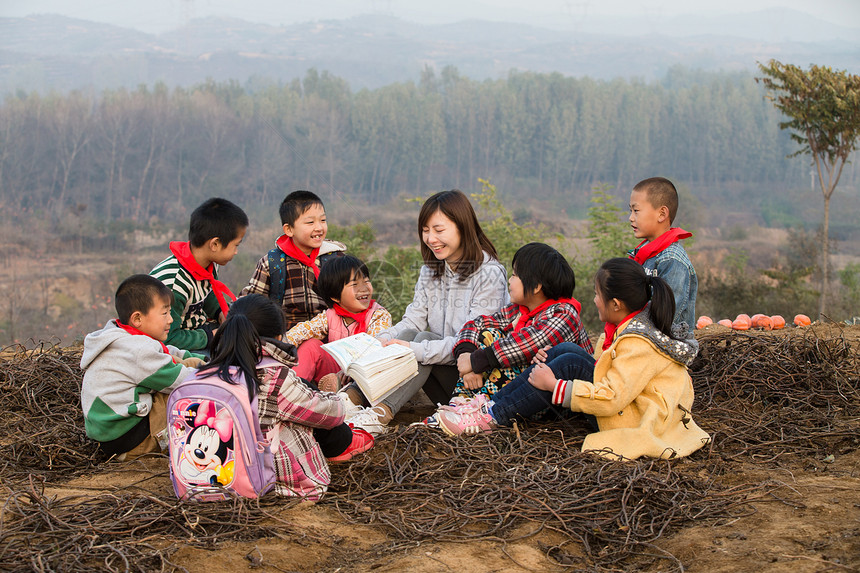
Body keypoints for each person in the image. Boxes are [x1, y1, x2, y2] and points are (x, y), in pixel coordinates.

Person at [436, 258, 711, 461]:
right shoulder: (628, 329)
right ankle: (488, 405)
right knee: (565, 352)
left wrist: (555, 386)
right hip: (632, 407)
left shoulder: (638, 344)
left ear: (616, 304)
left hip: (636, 419)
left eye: (597, 295)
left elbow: (613, 396)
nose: (593, 300)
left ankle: (492, 416)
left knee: (569, 364)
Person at [343, 189, 509, 435]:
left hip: (475, 379)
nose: (431, 239)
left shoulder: (489, 274)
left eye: (439, 230)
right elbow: (414, 319)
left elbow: (472, 341)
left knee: (424, 341)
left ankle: (380, 414)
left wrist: (414, 349)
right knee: (412, 333)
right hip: (442, 372)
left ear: (463, 227)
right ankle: (349, 400)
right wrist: (381, 340)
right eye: (425, 230)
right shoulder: (431, 271)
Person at [200, 294, 374, 501]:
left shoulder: (206, 372)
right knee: (308, 404)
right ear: (280, 338)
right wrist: (336, 400)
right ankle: (345, 441)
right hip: (273, 481)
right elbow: (330, 414)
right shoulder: (274, 378)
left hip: (212, 474)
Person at [80, 275, 205, 461]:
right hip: (132, 441)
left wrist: (204, 361)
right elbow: (184, 381)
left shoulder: (121, 336)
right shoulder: (138, 351)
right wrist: (216, 375)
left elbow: (170, 353)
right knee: (188, 395)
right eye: (165, 313)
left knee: (188, 365)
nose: (171, 319)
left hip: (113, 436)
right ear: (137, 318)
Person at [450, 242, 593, 401]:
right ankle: (461, 402)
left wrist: (475, 362)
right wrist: (466, 354)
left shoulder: (565, 314)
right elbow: (475, 325)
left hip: (553, 397)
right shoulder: (518, 310)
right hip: (520, 390)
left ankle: (480, 408)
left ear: (537, 286)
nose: (510, 281)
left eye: (515, 275)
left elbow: (527, 344)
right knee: (489, 334)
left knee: (516, 361)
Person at [150, 197, 249, 352]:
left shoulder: (209, 262)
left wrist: (220, 313)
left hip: (198, 328)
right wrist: (212, 336)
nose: (236, 251)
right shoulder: (175, 283)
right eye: (235, 245)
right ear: (215, 244)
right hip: (175, 343)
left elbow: (207, 293)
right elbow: (168, 338)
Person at [240, 190, 346, 331]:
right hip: (287, 335)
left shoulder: (336, 259)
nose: (319, 227)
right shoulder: (272, 263)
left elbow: (352, 297)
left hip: (332, 331)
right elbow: (249, 303)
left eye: (323, 220)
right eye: (310, 222)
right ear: (289, 230)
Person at [285, 255, 392, 391]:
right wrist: (279, 346)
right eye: (354, 285)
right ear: (335, 297)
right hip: (335, 374)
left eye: (366, 281)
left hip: (366, 377)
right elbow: (302, 331)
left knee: (361, 369)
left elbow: (374, 349)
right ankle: (291, 390)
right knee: (311, 345)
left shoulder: (378, 316)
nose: (364, 288)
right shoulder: (330, 315)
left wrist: (351, 370)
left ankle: (345, 395)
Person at [627, 176, 697, 334]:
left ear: (662, 214)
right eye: (630, 211)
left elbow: (666, 316)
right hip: (640, 336)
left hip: (666, 345)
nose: (631, 218)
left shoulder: (671, 261)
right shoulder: (642, 252)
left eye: (636, 211)